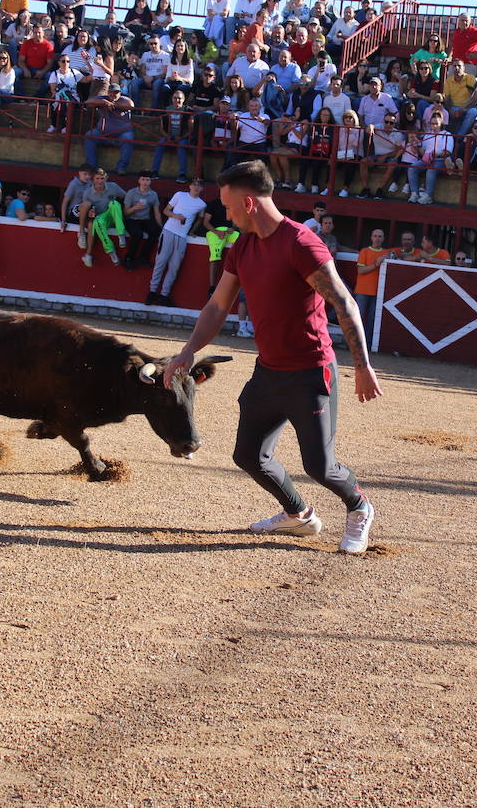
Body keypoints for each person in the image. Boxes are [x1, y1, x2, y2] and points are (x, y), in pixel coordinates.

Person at [163, 160, 380, 555]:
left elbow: (344, 302)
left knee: (319, 466)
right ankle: (298, 514)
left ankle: (359, 507)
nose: (225, 215)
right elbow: (217, 307)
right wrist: (188, 351)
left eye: (228, 207)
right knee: (248, 455)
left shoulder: (301, 243)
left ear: (248, 203)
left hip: (311, 372)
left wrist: (362, 366)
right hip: (269, 372)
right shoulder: (242, 246)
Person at [147, 179, 208, 306]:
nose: (196, 187)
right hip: (169, 231)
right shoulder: (180, 195)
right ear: (190, 186)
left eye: (199, 186)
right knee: (161, 262)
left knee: (174, 267)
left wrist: (192, 231)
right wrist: (177, 216)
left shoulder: (202, 204)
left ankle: (164, 295)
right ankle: (152, 292)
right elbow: (166, 211)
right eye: (194, 184)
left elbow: (200, 219)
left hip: (182, 236)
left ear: (202, 189)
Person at [122, 172, 160, 269]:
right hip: (131, 219)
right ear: (139, 181)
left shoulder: (153, 194)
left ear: (150, 182)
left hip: (145, 219)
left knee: (156, 231)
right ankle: (128, 259)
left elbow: (157, 212)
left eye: (147, 180)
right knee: (137, 234)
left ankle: (143, 258)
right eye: (143, 179)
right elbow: (125, 213)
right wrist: (135, 208)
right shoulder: (131, 192)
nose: (145, 182)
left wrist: (161, 227)